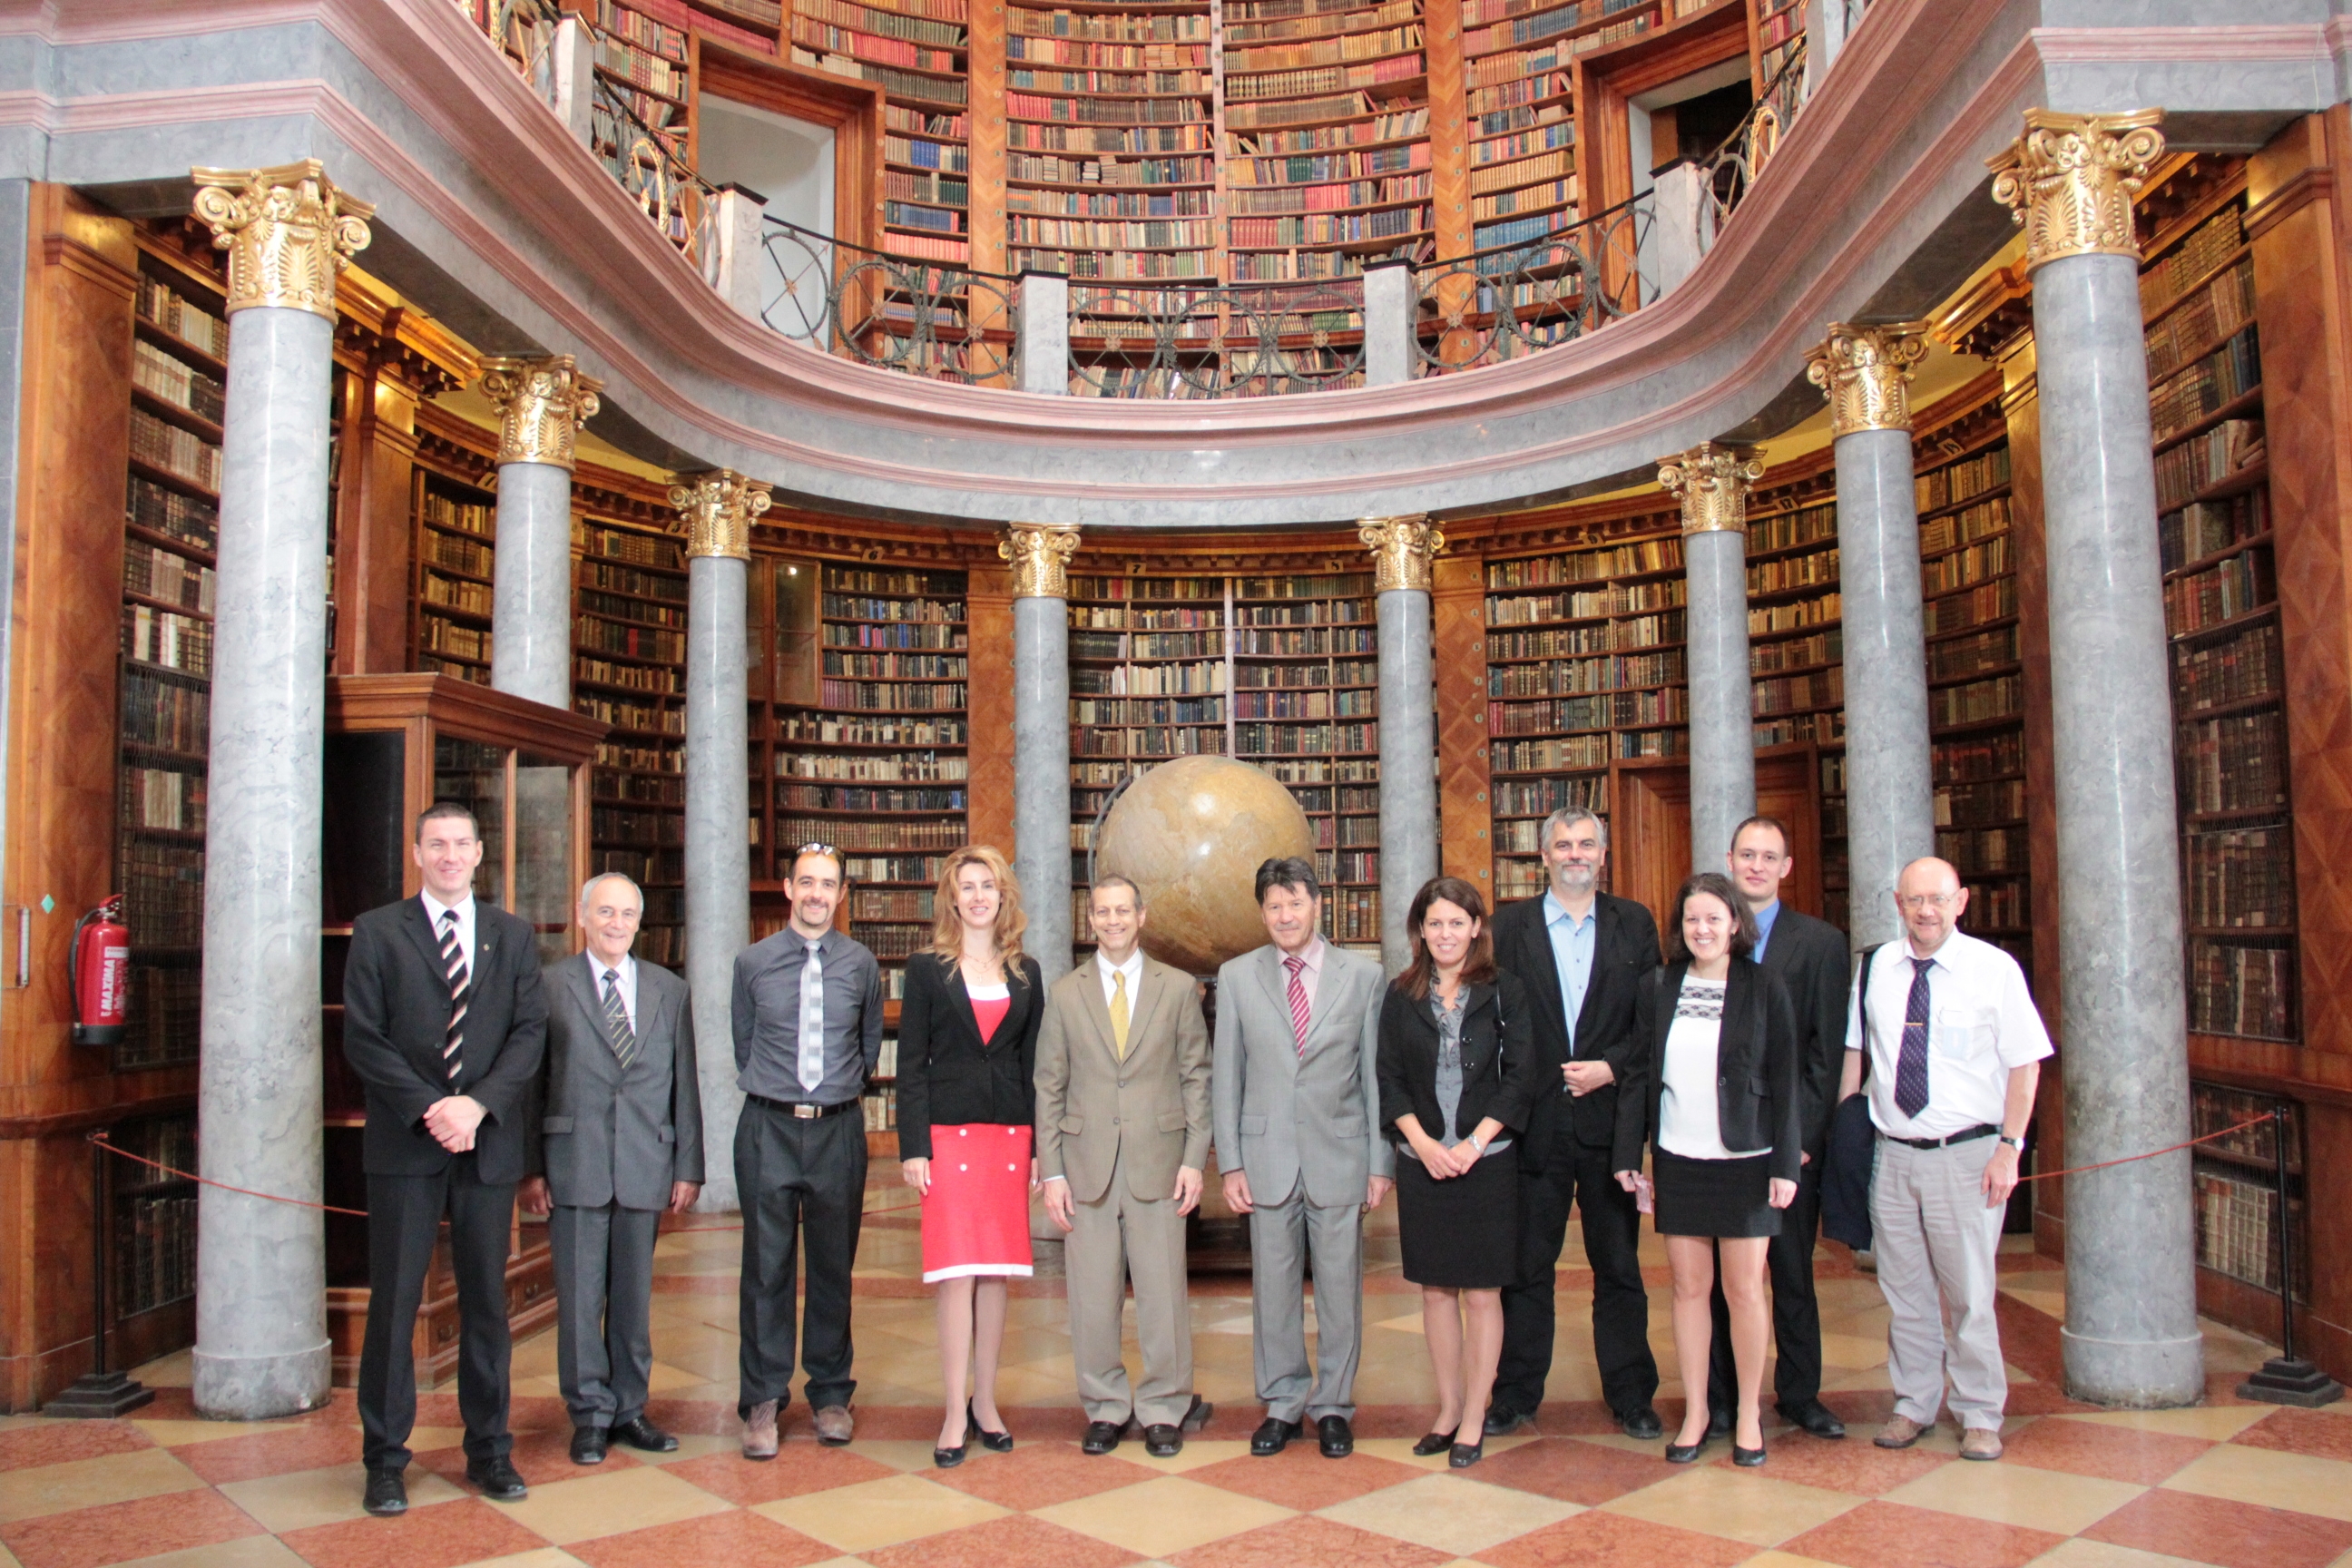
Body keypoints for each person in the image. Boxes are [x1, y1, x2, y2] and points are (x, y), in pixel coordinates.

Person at [342, 802, 549, 1516]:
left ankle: (489, 1450)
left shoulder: (512, 935)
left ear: (479, 853)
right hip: (407, 1143)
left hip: (486, 1144)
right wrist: (434, 1108)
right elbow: (363, 1038)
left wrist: (477, 1106)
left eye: (462, 843)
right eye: (437, 844)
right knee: (396, 1302)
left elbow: (529, 1034)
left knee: (486, 1303)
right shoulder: (378, 932)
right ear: (417, 853)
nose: (450, 855)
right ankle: (384, 1460)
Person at [1841, 856, 2050, 1462]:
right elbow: (1857, 1053)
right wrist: (1845, 1134)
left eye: (1938, 899)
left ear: (1960, 903)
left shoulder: (1994, 969)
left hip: (1967, 1155)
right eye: (1914, 900)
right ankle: (1913, 1403)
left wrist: (2009, 1147)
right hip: (1893, 1156)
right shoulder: (1876, 968)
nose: (1926, 911)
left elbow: (2025, 1064)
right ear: (1898, 904)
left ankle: (1980, 1412)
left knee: (1969, 1295)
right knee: (1904, 1292)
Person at [1487, 808, 1664, 1439]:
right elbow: (1496, 1021)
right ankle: (1515, 1394)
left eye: (1586, 844)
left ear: (1603, 854)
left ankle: (1632, 1395)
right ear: (1543, 856)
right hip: (1533, 1124)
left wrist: (1610, 1068)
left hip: (1609, 1124)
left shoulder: (1634, 924)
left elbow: (1653, 1022)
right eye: (1563, 845)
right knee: (1525, 1267)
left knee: (1618, 1267)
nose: (1575, 854)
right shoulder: (1509, 927)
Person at [1614, 871, 1801, 1465]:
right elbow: (1639, 1073)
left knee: (1744, 1291)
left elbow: (1786, 1078)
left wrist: (1786, 1164)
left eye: (1714, 918)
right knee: (1689, 1290)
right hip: (1678, 1158)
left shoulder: (1765, 984)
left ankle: (1747, 1414)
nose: (1702, 929)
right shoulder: (1658, 985)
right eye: (1692, 919)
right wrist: (1629, 1155)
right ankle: (1696, 1411)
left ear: (1734, 924)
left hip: (1746, 1160)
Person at [520, 873, 702, 1466]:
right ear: (582, 918)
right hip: (574, 1163)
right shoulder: (550, 986)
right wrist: (530, 1169)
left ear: (639, 922)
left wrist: (688, 1165)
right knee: (579, 1301)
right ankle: (590, 1415)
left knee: (632, 1301)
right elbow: (531, 1084)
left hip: (646, 1162)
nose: (616, 924)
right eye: (605, 912)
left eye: (626, 914)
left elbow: (684, 1083)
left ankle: (630, 1408)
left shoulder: (669, 990)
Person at [1213, 856, 1391, 1459]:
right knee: (1274, 1288)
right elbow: (1227, 1076)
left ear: (1317, 904)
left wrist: (1380, 1163)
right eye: (1274, 906)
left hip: (1339, 1154)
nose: (1285, 915)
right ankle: (1283, 1401)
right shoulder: (1237, 977)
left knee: (1340, 1290)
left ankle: (1334, 1404)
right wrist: (1231, 1163)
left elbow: (1374, 1077)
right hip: (1265, 1157)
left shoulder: (1363, 977)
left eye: (1295, 903)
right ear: (1262, 913)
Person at [1035, 874, 1214, 1457]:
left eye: (1122, 911)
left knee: (1163, 1294)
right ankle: (1105, 1406)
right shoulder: (1065, 993)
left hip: (1159, 1163)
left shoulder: (1178, 988)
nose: (1112, 920)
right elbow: (1049, 1086)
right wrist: (1053, 1171)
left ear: (1142, 916)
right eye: (1102, 912)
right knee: (1091, 1296)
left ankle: (1164, 1406)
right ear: (1090, 919)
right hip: (1085, 1166)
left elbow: (1196, 1078)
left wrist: (1194, 1160)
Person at [1377, 877, 1541, 1469]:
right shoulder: (1401, 994)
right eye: (1434, 923)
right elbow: (1389, 1078)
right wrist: (1421, 1144)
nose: (1445, 933)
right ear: (1420, 931)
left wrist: (1474, 1144)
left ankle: (1475, 1414)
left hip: (1487, 1162)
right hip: (1422, 1163)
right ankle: (1447, 1410)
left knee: (1483, 1293)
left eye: (1456, 922)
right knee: (1437, 1290)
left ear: (1476, 927)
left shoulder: (1505, 991)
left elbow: (1522, 1076)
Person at [895, 846, 1044, 1468]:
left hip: (1008, 1135)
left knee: (995, 1272)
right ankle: (955, 1410)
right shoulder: (927, 969)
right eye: (968, 887)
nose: (979, 896)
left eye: (988, 885)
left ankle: (987, 1403)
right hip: (948, 1136)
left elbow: (1033, 1067)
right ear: (952, 899)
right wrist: (913, 1146)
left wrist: (1040, 1147)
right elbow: (910, 1064)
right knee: (955, 1272)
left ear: (1003, 895)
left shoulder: (1026, 972)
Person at [734, 844, 885, 1456]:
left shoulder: (862, 965)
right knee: (765, 1268)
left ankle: (829, 1392)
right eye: (806, 882)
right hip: (768, 1126)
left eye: (827, 884)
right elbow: (743, 1042)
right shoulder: (752, 962)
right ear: (788, 889)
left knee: (831, 1266)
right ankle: (762, 1398)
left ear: (841, 894)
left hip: (836, 1131)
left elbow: (867, 1046)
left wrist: (832, 1096)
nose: (816, 894)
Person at [1705, 817, 1854, 1440]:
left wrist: (1801, 1140)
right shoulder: (1706, 933)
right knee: (1723, 1281)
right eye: (1747, 855)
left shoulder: (1820, 943)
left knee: (1792, 1271)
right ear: (1730, 860)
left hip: (1788, 1141)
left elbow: (1825, 1052)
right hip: (1720, 1140)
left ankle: (1799, 1393)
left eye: (1769, 857)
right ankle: (1721, 1399)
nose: (1757, 866)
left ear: (1786, 867)